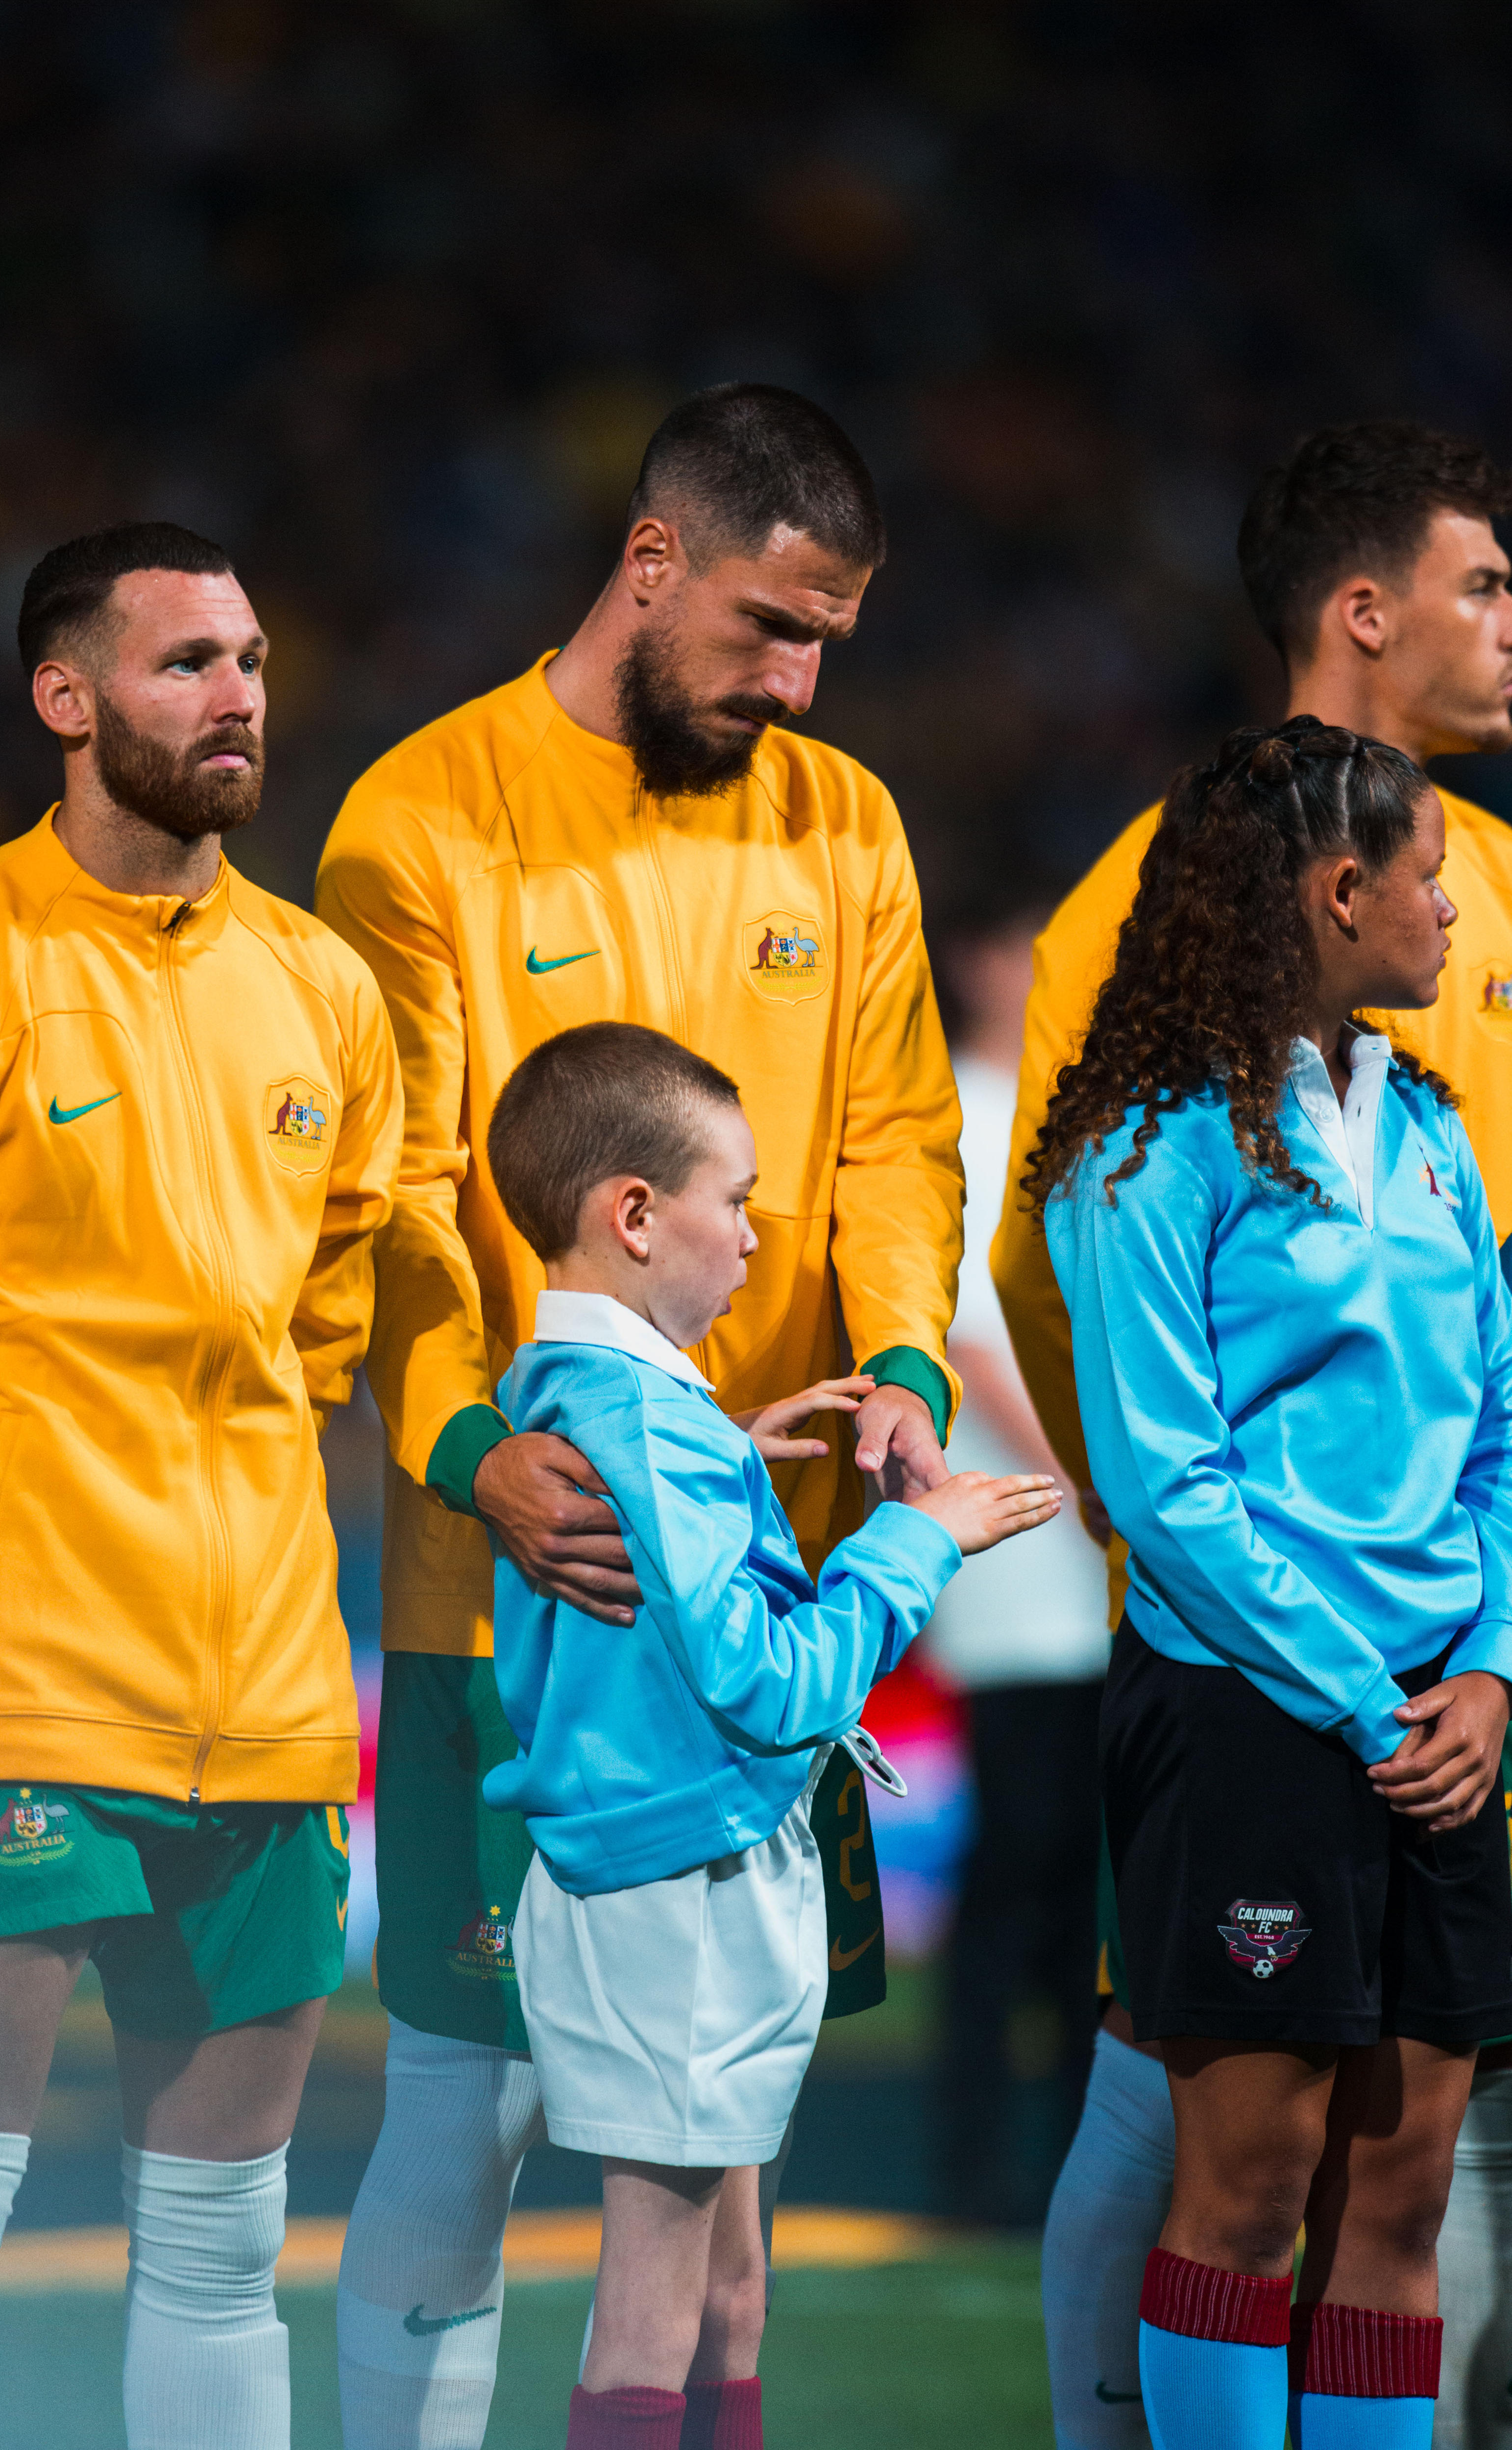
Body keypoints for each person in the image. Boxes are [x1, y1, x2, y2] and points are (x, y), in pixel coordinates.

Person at [316, 383, 966, 2450]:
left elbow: (894, 1142)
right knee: (470, 2098)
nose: (795, 680)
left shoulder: (841, 820)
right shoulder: (420, 818)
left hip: (748, 1580)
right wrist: (461, 1451)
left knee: (730, 2131)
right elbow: (397, 1200)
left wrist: (914, 1374)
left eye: (828, 647)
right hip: (513, 1591)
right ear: (653, 559)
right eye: (772, 626)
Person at [992, 420, 1512, 2450]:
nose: (1456, 921)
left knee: (1399, 2172)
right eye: (1485, 578)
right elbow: (1145, 1430)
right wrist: (1346, 1672)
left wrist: (1480, 1659)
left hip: (1437, 1694)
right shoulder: (1150, 1110)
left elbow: (1500, 1406)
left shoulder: (1434, 1127)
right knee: (1231, 2155)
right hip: (1254, 1688)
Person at [0, 522, 403, 2450]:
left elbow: (329, 1332)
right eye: (187, 660)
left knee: (218, 2249)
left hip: (266, 1697)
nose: (240, 692)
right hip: (14, 1681)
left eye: (253, 655)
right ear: (66, 696)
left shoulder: (328, 991)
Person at [482, 1020, 1060, 2450]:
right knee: (661, 2307)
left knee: (730, 2292)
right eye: (732, 1200)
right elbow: (772, 1687)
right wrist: (918, 1543)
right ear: (631, 1216)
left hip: (682, 1870)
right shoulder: (635, 1412)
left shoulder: (602, 1395)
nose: (754, 1238)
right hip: (681, 1883)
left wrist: (724, 1448)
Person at [922, 906, 1111, 2225]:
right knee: (1023, 1856)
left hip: (1090, 1537)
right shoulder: (969, 1118)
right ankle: (979, 2154)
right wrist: (1101, 1482)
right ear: (983, 962)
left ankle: (1057, 2150)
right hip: (1030, 1533)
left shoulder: (1072, 1108)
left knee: (1078, 1865)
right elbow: (975, 1340)